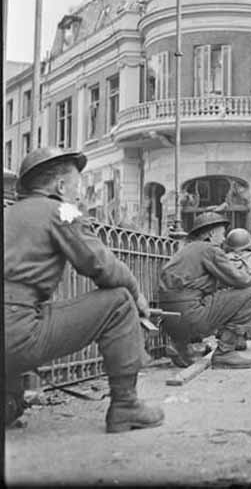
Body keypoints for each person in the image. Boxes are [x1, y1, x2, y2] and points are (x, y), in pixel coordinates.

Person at [4, 147, 164, 433]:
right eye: (76, 186)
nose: (78, 195)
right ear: (61, 186)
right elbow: (102, 265)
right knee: (119, 301)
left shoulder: (9, 214)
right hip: (15, 329)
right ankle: (126, 406)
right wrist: (137, 294)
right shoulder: (62, 210)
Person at [158, 212, 251, 370]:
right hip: (191, 318)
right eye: (222, 234)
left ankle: (182, 347)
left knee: (212, 296)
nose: (223, 239)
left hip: (169, 322)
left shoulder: (187, 250)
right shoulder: (209, 249)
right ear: (211, 234)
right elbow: (241, 280)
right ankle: (225, 353)